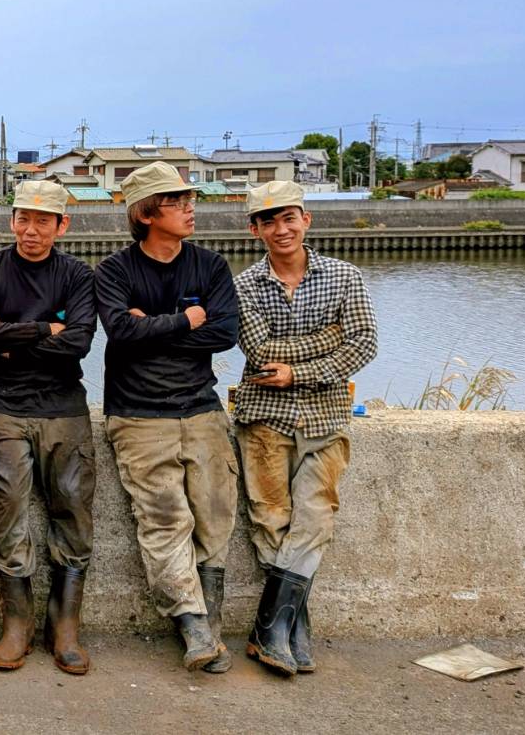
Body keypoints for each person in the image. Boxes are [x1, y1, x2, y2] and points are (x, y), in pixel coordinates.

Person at [94, 161, 239, 673]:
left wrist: (154, 328)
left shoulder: (211, 266)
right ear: (146, 213)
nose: (189, 208)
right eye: (176, 202)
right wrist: (185, 320)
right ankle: (193, 626)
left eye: (188, 199)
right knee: (163, 519)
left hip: (201, 408)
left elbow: (225, 333)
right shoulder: (115, 271)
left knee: (215, 514)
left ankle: (210, 621)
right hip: (138, 414)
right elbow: (121, 332)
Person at [234, 181, 378, 676]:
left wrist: (299, 372)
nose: (281, 229)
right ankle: (291, 627)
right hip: (264, 419)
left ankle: (270, 628)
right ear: (254, 230)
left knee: (315, 518)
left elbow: (364, 343)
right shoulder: (245, 286)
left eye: (288, 217)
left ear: (306, 220)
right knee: (269, 520)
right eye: (268, 221)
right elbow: (259, 351)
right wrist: (329, 337)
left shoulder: (344, 276)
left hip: (326, 418)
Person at [0, 179, 97, 674]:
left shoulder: (78, 275)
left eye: (43, 221)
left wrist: (10, 338)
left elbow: (79, 342)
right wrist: (44, 329)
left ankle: (65, 626)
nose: (31, 230)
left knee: (73, 508)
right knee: (11, 508)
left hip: (64, 406)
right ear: (12, 220)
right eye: (23, 218)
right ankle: (16, 624)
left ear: (62, 225)